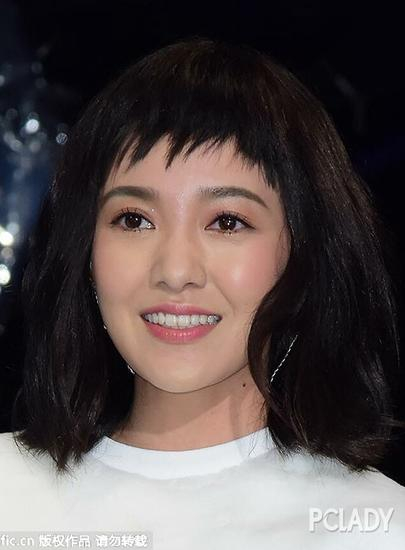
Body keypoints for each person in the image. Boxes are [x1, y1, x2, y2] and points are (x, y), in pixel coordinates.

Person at [1, 37, 404, 548]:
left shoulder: (377, 526)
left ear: (305, 255)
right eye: (134, 219)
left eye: (227, 222)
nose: (175, 271)